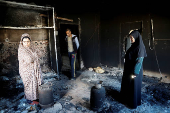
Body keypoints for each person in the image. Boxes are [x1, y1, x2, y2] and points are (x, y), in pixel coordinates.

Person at [120, 30, 147, 109]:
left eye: (132, 37)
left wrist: (135, 73)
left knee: (133, 87)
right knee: (128, 85)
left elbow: (139, 61)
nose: (131, 39)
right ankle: (126, 100)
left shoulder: (140, 47)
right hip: (129, 69)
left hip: (135, 71)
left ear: (136, 37)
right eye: (130, 37)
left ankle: (133, 104)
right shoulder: (134, 45)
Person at [18, 33, 43, 105]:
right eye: (24, 42)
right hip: (26, 71)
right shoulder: (22, 50)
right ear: (22, 42)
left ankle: (36, 97)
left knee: (35, 83)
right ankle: (30, 99)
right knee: (29, 85)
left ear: (30, 41)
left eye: (28, 41)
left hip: (34, 69)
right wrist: (35, 55)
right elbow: (29, 60)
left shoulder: (32, 48)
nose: (26, 43)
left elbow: (40, 53)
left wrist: (34, 55)